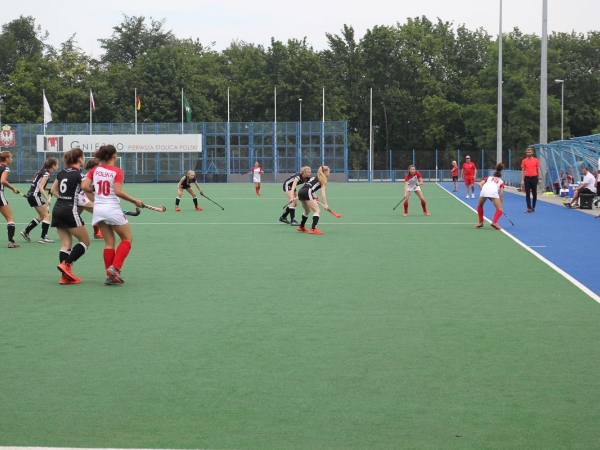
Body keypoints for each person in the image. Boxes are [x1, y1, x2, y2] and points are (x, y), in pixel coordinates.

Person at [81, 145, 144, 285]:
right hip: (112, 208)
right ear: (114, 156)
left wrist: (96, 191)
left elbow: (84, 186)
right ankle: (115, 269)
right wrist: (135, 201)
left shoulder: (95, 169)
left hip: (98, 209)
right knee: (127, 239)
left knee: (109, 243)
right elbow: (118, 191)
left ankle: (109, 276)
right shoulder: (117, 171)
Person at [51, 148, 91, 285]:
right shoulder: (80, 175)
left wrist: (64, 198)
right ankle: (66, 265)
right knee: (85, 241)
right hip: (69, 211)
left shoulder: (61, 173)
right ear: (80, 159)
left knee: (66, 244)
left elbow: (53, 190)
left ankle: (65, 277)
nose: (84, 159)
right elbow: (87, 190)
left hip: (57, 209)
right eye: (83, 157)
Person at [20, 157, 58, 244]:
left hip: (31, 195)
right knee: (47, 215)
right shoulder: (46, 174)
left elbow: (40, 185)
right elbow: (40, 187)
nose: (58, 166)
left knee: (42, 216)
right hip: (35, 196)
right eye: (57, 164)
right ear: (53, 165)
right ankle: (43, 237)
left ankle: (26, 231)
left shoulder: (43, 172)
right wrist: (47, 199)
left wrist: (48, 189)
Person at [297, 165, 330, 235]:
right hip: (307, 192)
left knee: (307, 210)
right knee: (317, 210)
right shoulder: (323, 179)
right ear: (325, 172)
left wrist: (315, 197)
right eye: (328, 172)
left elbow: (310, 187)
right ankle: (313, 229)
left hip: (301, 191)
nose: (329, 174)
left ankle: (301, 226)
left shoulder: (315, 177)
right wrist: (325, 204)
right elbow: (323, 193)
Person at [476, 163, 505, 230]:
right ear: (500, 176)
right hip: (493, 193)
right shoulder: (501, 181)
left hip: (484, 191)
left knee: (480, 206)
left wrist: (484, 191)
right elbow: (501, 194)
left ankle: (480, 222)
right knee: (500, 210)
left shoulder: (488, 178)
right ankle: (494, 222)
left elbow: (480, 184)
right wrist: (500, 204)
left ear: (494, 174)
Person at [0, 151, 21, 248]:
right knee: (10, 218)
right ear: (6, 158)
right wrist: (13, 188)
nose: (12, 159)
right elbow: (3, 181)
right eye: (11, 157)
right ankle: (11, 242)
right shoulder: (5, 168)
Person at [521, 147, 542, 213]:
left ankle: (533, 207)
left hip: (534, 178)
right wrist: (522, 180)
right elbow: (523, 170)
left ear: (532, 153)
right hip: (527, 178)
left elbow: (538, 170)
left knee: (534, 193)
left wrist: (540, 178)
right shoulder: (524, 161)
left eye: (529, 152)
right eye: (527, 152)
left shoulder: (536, 160)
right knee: (527, 193)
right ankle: (529, 207)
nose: (528, 153)